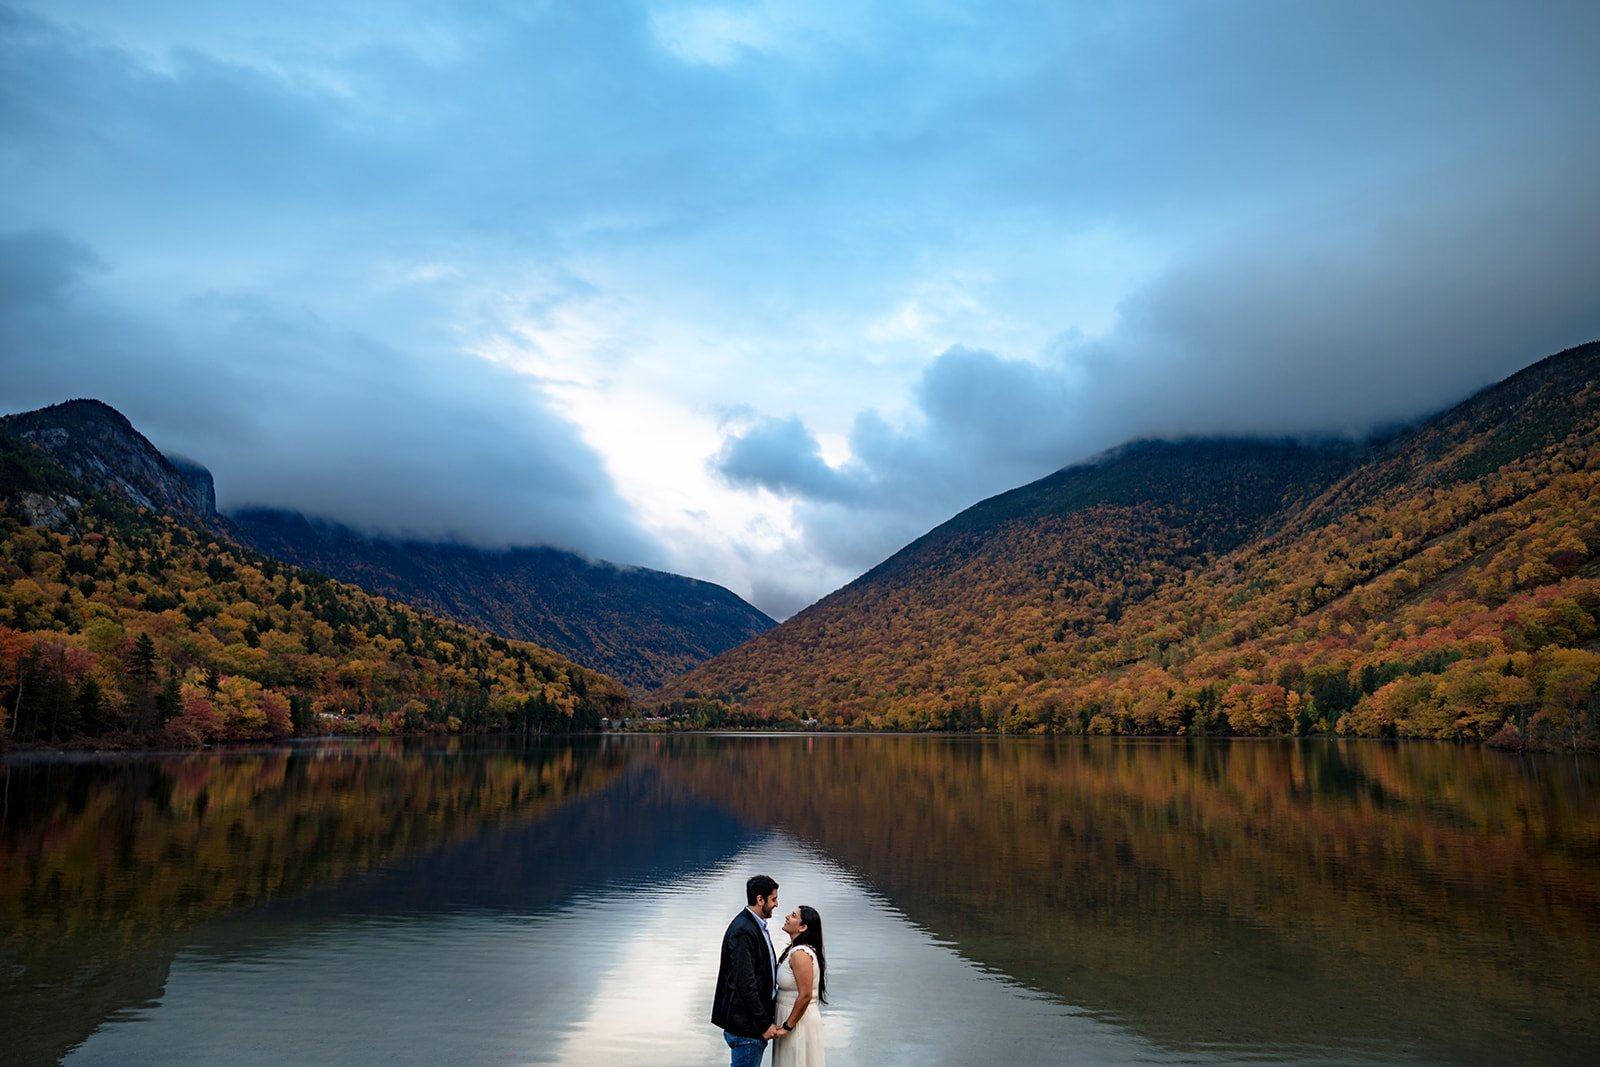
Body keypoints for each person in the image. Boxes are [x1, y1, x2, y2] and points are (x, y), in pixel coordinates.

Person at [712, 874, 782, 1067]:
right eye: (773, 899)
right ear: (760, 899)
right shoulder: (744, 931)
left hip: (749, 1027)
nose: (776, 904)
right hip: (747, 1029)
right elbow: (745, 984)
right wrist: (763, 1024)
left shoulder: (754, 926)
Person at [771, 905, 827, 1067]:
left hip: (798, 1021)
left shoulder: (801, 954)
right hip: (790, 1016)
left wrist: (787, 1026)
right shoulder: (793, 950)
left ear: (803, 927)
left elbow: (805, 995)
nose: (787, 917)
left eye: (793, 916)